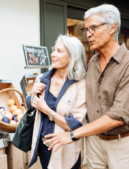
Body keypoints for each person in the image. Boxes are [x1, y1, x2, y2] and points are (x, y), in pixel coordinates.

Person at [44, 4, 129, 169]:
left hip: (124, 144)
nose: (88, 34)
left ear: (112, 27)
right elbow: (76, 89)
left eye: (93, 28)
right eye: (86, 30)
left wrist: (72, 134)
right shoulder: (92, 62)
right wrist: (45, 82)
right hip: (94, 141)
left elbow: (117, 116)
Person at [26, 34, 87, 169]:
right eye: (54, 50)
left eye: (59, 51)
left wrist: (46, 110)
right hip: (44, 147)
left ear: (71, 57)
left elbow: (76, 124)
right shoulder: (43, 79)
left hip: (66, 147)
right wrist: (33, 93)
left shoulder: (81, 84)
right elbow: (30, 104)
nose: (53, 54)